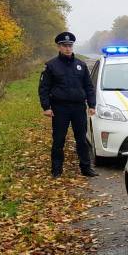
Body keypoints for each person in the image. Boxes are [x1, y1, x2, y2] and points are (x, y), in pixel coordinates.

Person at [38, 31, 98, 178]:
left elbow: (88, 86)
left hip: (78, 107)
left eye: (70, 45)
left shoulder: (81, 65)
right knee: (59, 139)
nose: (67, 48)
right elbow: (43, 88)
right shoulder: (51, 66)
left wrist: (92, 105)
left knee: (82, 139)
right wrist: (46, 107)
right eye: (64, 46)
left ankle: (86, 168)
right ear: (59, 47)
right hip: (60, 108)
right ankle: (56, 170)